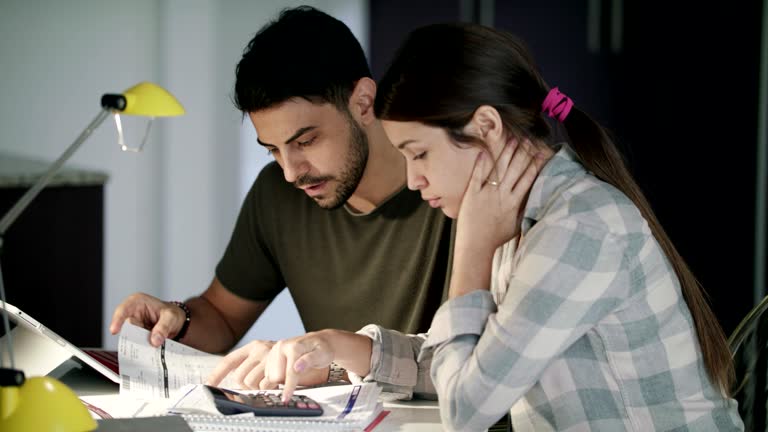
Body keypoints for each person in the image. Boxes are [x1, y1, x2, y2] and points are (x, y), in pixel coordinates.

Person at [248, 22, 744, 431]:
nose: (414, 179)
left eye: (420, 154)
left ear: (485, 128)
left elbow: (468, 408)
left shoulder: (578, 228)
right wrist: (344, 348)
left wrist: (472, 250)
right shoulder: (524, 210)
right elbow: (469, 363)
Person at [109, 6, 453, 389]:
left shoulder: (450, 188)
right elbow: (222, 318)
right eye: (272, 149)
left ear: (363, 102)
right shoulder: (278, 193)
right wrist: (176, 319)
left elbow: (468, 361)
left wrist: (335, 362)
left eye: (306, 141)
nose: (291, 172)